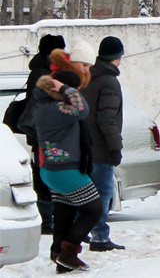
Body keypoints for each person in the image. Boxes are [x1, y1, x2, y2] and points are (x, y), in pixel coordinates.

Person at [31, 54, 103, 272]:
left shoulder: (43, 107)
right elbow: (82, 109)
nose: (76, 94)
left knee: (64, 213)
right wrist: (66, 89)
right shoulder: (57, 109)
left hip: (52, 170)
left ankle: (60, 259)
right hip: (65, 170)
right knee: (93, 210)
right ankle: (69, 254)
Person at [81, 36, 125, 252]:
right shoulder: (109, 81)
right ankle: (99, 236)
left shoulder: (89, 77)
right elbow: (107, 118)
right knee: (103, 191)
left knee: (86, 192)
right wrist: (115, 147)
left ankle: (82, 232)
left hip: (85, 145)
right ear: (117, 57)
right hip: (100, 148)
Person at [21, 33, 66, 234]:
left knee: (43, 173)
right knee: (46, 174)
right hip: (45, 133)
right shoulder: (44, 74)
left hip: (40, 133)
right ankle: (48, 220)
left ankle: (49, 218)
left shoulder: (38, 70)